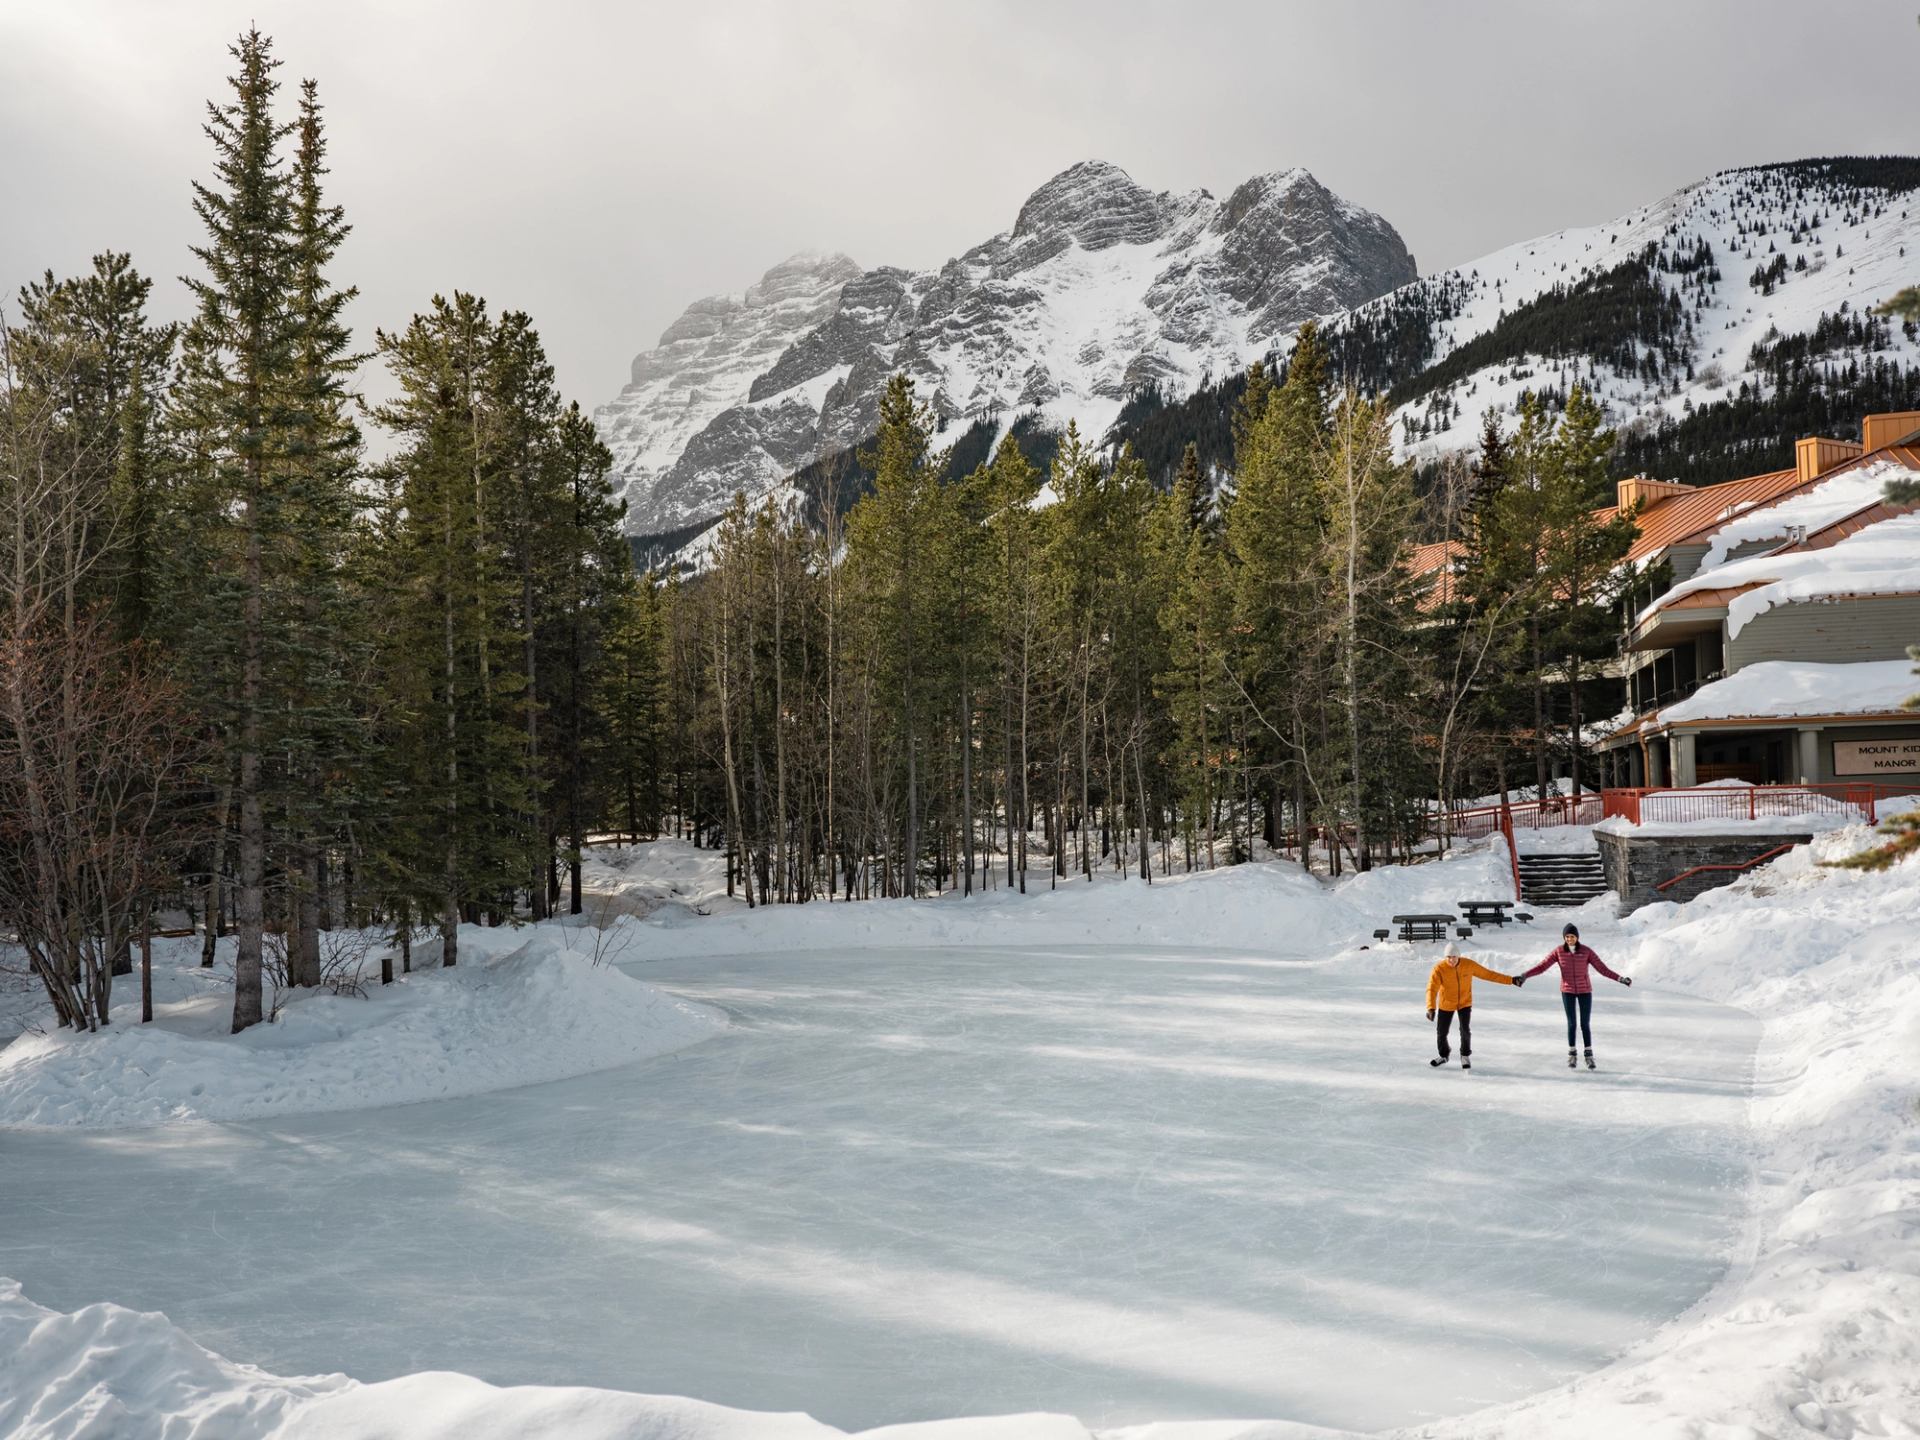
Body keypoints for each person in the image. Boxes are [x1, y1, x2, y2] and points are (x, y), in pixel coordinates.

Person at [1520, 922, 1632, 1070]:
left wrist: (1620, 979)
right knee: (1571, 1023)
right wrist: (1525, 975)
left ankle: (1588, 1055)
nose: (1569, 939)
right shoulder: (1558, 952)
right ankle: (1572, 1054)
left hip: (1585, 990)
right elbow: (1542, 966)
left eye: (1572, 936)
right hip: (1567, 991)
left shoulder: (1586, 952)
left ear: (1577, 937)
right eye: (1567, 937)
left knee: (1585, 1024)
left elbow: (1602, 969)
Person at [1424, 941, 1524, 1071]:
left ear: (1458, 956)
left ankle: (1465, 1055)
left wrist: (1511, 980)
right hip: (1446, 1003)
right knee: (1441, 1032)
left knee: (1465, 1030)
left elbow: (1488, 974)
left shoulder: (1468, 965)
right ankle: (1443, 1055)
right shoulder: (1439, 969)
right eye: (1448, 957)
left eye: (1453, 956)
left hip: (1464, 1002)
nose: (1451, 960)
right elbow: (1432, 988)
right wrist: (1431, 1007)